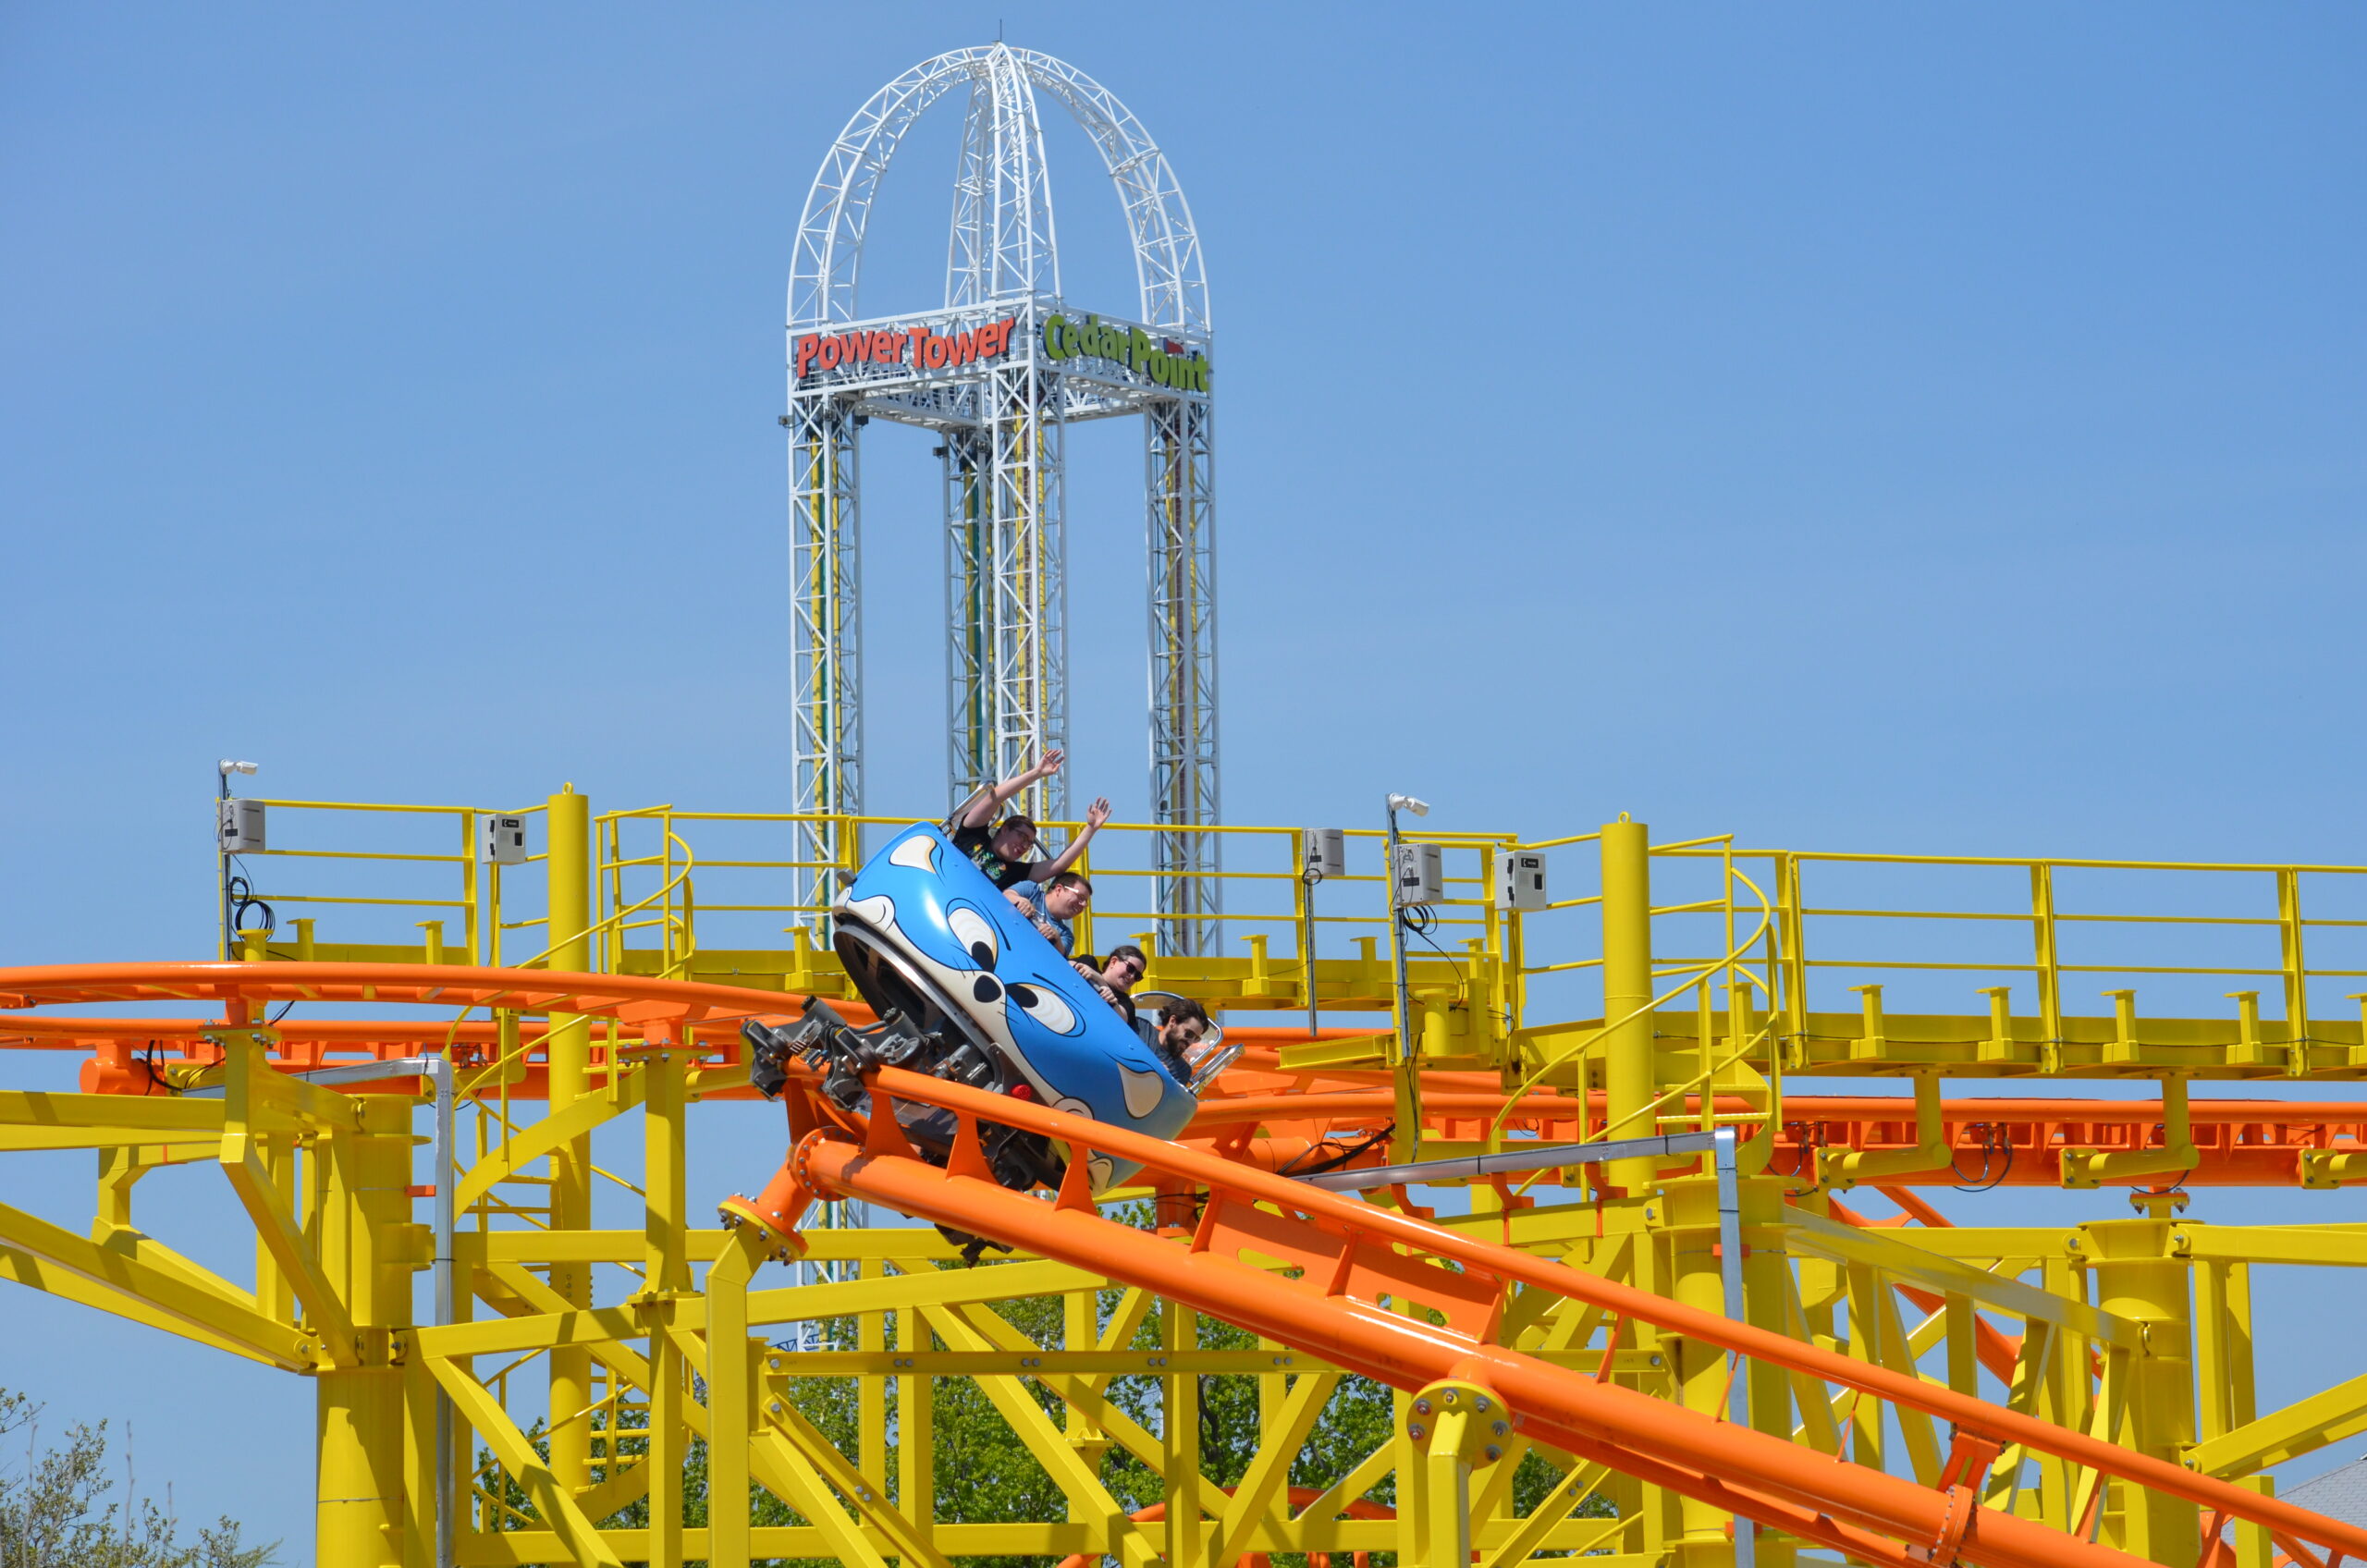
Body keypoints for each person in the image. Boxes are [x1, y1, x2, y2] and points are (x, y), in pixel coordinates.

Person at [945, 750, 1112, 890]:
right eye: (1023, 838)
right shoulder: (973, 834)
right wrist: (1036, 773)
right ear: (1005, 829)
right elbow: (994, 798)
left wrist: (1091, 828)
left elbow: (1059, 865)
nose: (1025, 846)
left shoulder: (1017, 872)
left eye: (1029, 844)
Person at [1003, 872, 1091, 957]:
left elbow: (1060, 957)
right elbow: (1005, 895)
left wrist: (1056, 939)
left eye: (1085, 903)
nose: (1083, 905)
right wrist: (1019, 901)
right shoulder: (1032, 890)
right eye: (1080, 897)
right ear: (1059, 889)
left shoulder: (1065, 934)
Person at [1072, 944, 1148, 1027]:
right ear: (1113, 961)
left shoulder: (1125, 1003)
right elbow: (1062, 963)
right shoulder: (1089, 962)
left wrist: (1100, 981)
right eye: (1130, 968)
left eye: (1137, 976)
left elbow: (1121, 1019)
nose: (1132, 976)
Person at [1145, 995, 1211, 1081]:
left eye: (1196, 1039)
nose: (1190, 1042)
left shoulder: (1181, 1070)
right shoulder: (1141, 1029)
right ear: (1173, 1021)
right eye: (1189, 1034)